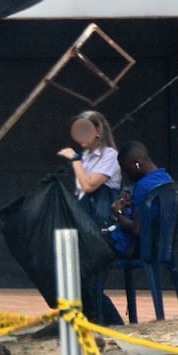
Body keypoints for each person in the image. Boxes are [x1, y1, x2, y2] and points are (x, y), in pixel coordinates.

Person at [55, 110, 123, 325]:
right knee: (73, 277)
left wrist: (74, 160)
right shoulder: (85, 157)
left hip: (103, 229)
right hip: (85, 226)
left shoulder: (110, 156)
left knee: (92, 283)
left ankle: (111, 323)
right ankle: (88, 319)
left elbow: (89, 184)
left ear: (97, 131)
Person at [108, 140, 174, 258]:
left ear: (137, 164)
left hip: (126, 246)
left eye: (126, 170)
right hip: (161, 244)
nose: (126, 175)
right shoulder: (167, 179)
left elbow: (137, 229)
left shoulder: (142, 186)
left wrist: (118, 214)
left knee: (88, 250)